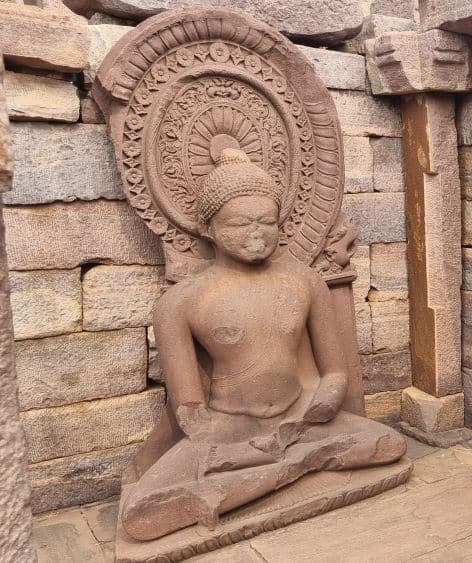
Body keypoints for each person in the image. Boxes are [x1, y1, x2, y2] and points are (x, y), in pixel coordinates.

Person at [118, 148, 405, 542]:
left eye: (267, 222)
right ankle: (296, 466)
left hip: (302, 419)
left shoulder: (305, 282)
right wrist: (215, 437)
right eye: (239, 223)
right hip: (229, 429)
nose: (256, 233)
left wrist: (322, 404)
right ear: (209, 228)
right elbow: (188, 405)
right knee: (142, 515)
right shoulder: (180, 302)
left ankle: (275, 470)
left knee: (387, 443)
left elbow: (334, 372)